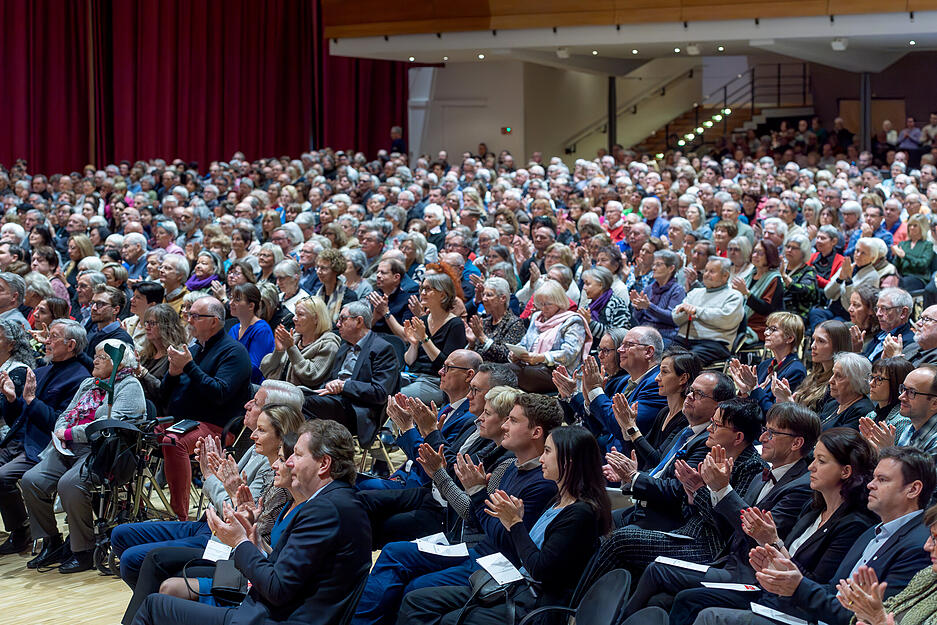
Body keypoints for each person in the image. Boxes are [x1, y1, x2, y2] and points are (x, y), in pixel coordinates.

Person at [131, 420, 372, 625]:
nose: (289, 462)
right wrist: (254, 543)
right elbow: (291, 572)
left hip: (273, 618)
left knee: (155, 605)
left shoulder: (324, 510)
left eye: (297, 455)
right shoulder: (337, 501)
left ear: (324, 464)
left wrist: (240, 542)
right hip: (273, 609)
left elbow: (277, 588)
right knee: (163, 583)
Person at [351, 394, 563, 625]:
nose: (504, 426)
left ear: (535, 432)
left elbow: (506, 540)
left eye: (512, 421)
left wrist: (475, 491)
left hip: (496, 563)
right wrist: (475, 493)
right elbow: (479, 518)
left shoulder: (542, 483)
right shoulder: (509, 466)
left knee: (416, 586)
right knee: (394, 550)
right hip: (475, 547)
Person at [693, 446, 936, 625]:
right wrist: (783, 567)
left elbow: (869, 615)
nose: (871, 485)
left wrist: (796, 584)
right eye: (873, 478)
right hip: (805, 608)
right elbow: (833, 588)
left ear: (913, 489)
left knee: (710, 616)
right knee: (694, 602)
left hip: (817, 616)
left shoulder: (918, 544)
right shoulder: (871, 531)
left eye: (882, 480)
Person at [397, 425, 613, 625]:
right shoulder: (558, 499)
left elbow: (539, 569)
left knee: (434, 613)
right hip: (512, 583)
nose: (541, 458)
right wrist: (508, 519)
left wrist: (515, 523)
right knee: (416, 600)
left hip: (530, 602)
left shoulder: (580, 513)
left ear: (568, 462)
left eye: (548, 451)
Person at [113, 381, 301, 608]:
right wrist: (219, 476)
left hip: (225, 542)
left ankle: (155, 610)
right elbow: (241, 508)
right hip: (212, 526)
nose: (247, 405)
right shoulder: (257, 449)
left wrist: (211, 478)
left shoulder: (278, 475)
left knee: (141, 561)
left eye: (257, 403)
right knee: (121, 535)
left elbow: (245, 521)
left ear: (280, 424)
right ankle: (155, 609)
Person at [585, 397, 766, 585]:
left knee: (619, 541)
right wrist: (691, 496)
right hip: (687, 528)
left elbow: (729, 526)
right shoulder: (714, 453)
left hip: (707, 545)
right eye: (712, 422)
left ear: (738, 437)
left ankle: (580, 602)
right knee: (596, 520)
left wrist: (698, 492)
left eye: (717, 425)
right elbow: (685, 499)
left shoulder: (751, 467)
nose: (710, 429)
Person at [20, 338, 145, 572]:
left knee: (69, 484)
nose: (94, 360)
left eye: (102, 357)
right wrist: (61, 430)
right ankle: (52, 542)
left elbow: (108, 424)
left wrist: (68, 433)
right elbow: (67, 413)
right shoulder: (89, 383)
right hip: (67, 448)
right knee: (31, 480)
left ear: (118, 362)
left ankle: (83, 551)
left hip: (102, 452)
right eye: (95, 355)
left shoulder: (129, 386)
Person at [158, 296, 252, 521]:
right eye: (188, 315)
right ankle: (130, 506)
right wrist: (172, 373)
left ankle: (179, 516)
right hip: (183, 421)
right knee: (134, 433)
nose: (189, 321)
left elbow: (219, 394)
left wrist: (189, 366)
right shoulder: (194, 349)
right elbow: (163, 395)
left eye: (195, 316)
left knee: (173, 441)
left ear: (214, 321)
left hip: (217, 426)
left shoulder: (234, 352)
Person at [301, 301, 398, 446]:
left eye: (342, 319)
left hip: (358, 410)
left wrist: (344, 386)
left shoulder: (382, 349)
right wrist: (330, 386)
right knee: (292, 396)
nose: (338, 324)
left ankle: (309, 450)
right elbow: (331, 379)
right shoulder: (343, 348)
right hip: (335, 401)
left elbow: (380, 393)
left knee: (302, 403)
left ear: (359, 321)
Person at [836, 504, 937, 625]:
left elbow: (881, 618)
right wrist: (866, 612)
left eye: (935, 538)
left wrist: (878, 619)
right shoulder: (928, 575)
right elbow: (887, 611)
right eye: (931, 536)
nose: (927, 546)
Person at [615, 348, 702, 468]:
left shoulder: (686, 419)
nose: (657, 378)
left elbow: (658, 461)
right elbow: (641, 456)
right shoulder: (664, 412)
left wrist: (631, 427)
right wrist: (625, 428)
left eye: (664, 372)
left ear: (683, 378)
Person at [393, 271, 467, 406]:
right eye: (422, 289)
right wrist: (414, 344)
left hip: (437, 382)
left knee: (397, 397)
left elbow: (445, 366)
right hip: (413, 377)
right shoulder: (422, 320)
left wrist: (424, 339)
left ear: (443, 295)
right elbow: (409, 362)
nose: (422, 293)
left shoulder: (456, 325)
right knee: (382, 390)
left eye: (428, 289)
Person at [511, 279, 588, 392]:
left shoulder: (572, 321)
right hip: (531, 366)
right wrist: (516, 353)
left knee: (527, 373)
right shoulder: (537, 317)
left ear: (560, 302)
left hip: (558, 372)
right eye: (541, 304)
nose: (543, 308)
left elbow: (569, 353)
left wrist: (542, 357)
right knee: (504, 369)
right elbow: (525, 342)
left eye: (548, 304)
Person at [729, 312, 807, 415]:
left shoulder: (796, 371)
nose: (766, 333)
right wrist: (745, 390)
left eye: (773, 329)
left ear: (789, 338)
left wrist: (754, 388)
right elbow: (752, 402)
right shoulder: (765, 364)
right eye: (767, 328)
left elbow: (775, 414)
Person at [673, 257, 745, 365]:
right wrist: (685, 312)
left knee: (685, 362)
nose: (706, 274)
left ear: (725, 276)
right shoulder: (695, 292)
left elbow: (726, 319)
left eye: (712, 271)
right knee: (664, 357)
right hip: (684, 339)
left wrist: (696, 311)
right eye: (706, 270)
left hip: (714, 343)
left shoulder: (734, 295)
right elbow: (675, 318)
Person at [260, 295, 339, 388]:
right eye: (295, 314)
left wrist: (291, 348)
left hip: (302, 395)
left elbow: (312, 376)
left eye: (300, 314)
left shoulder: (328, 344)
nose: (294, 318)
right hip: (276, 389)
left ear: (316, 318)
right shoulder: (293, 336)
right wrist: (278, 351)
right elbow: (265, 370)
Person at [775, 320, 853, 413]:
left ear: (838, 346)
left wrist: (789, 403)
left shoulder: (839, 384)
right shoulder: (814, 375)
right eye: (814, 339)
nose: (813, 346)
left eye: (821, 341)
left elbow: (817, 421)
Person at [134, 303, 187, 416]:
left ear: (167, 326)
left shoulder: (177, 354)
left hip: (162, 415)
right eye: (146, 322)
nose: (147, 327)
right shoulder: (147, 353)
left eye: (152, 323)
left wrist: (143, 373)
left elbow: (166, 392)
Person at [731, 240, 783, 344]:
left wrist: (746, 293)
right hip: (740, 322)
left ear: (769, 256)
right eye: (754, 252)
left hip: (759, 327)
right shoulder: (750, 275)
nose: (755, 255)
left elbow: (767, 309)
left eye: (760, 253)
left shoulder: (775, 279)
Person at [631, 249, 686, 345]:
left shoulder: (677, 290)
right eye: (653, 264)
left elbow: (672, 318)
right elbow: (638, 319)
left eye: (658, 264)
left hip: (664, 335)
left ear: (671, 268)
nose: (653, 268)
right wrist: (638, 308)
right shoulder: (649, 288)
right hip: (645, 333)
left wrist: (649, 306)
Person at [860, 357, 915, 451]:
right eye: (872, 377)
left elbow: (895, 458)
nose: (871, 383)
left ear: (897, 383)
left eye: (879, 379)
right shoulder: (871, 415)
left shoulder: (902, 421)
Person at [466, 277, 525, 364]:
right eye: (483, 295)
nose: (484, 299)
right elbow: (474, 357)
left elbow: (506, 356)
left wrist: (482, 337)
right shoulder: (484, 322)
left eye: (489, 295)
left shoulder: (515, 323)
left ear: (503, 298)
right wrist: (472, 343)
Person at [228, 283, 275, 384]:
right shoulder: (234, 329)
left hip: (252, 386)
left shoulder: (262, 330)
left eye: (237, 300)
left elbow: (253, 367)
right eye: (231, 298)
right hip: (232, 380)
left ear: (251, 306)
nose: (231, 303)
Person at [816, 352, 876, 430]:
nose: (831, 381)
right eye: (833, 374)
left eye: (839, 376)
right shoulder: (833, 403)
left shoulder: (862, 411)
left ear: (856, 382)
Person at [580, 266, 630, 344]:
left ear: (601, 285)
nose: (584, 287)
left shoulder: (617, 304)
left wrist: (590, 323)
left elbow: (619, 336)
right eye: (584, 284)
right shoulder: (588, 306)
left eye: (588, 284)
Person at [865, 288, 916, 361]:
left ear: (903, 313)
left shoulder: (909, 343)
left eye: (884, 308)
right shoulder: (880, 335)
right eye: (877, 308)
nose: (878, 314)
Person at [312, 248, 358, 324]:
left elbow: (346, 324)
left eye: (323, 268)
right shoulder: (315, 294)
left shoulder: (348, 296)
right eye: (318, 267)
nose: (318, 271)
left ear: (336, 270)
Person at [780, 234, 819, 320]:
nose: (789, 250)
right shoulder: (781, 266)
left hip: (796, 316)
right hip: (776, 310)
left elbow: (804, 290)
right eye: (788, 246)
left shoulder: (808, 271)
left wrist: (784, 276)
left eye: (794, 248)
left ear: (803, 253)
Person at [892, 213, 934, 291]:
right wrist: (897, 256)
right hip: (902, 276)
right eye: (910, 225)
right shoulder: (903, 244)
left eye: (915, 225)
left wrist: (905, 256)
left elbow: (923, 264)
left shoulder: (927, 245)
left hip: (919, 278)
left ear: (922, 227)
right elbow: (896, 265)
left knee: (903, 283)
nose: (911, 228)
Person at [122, 281, 166, 352]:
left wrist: (126, 338)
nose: (131, 299)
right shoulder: (127, 322)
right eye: (133, 296)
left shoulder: (158, 330)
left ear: (152, 305)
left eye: (138, 297)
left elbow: (147, 354)